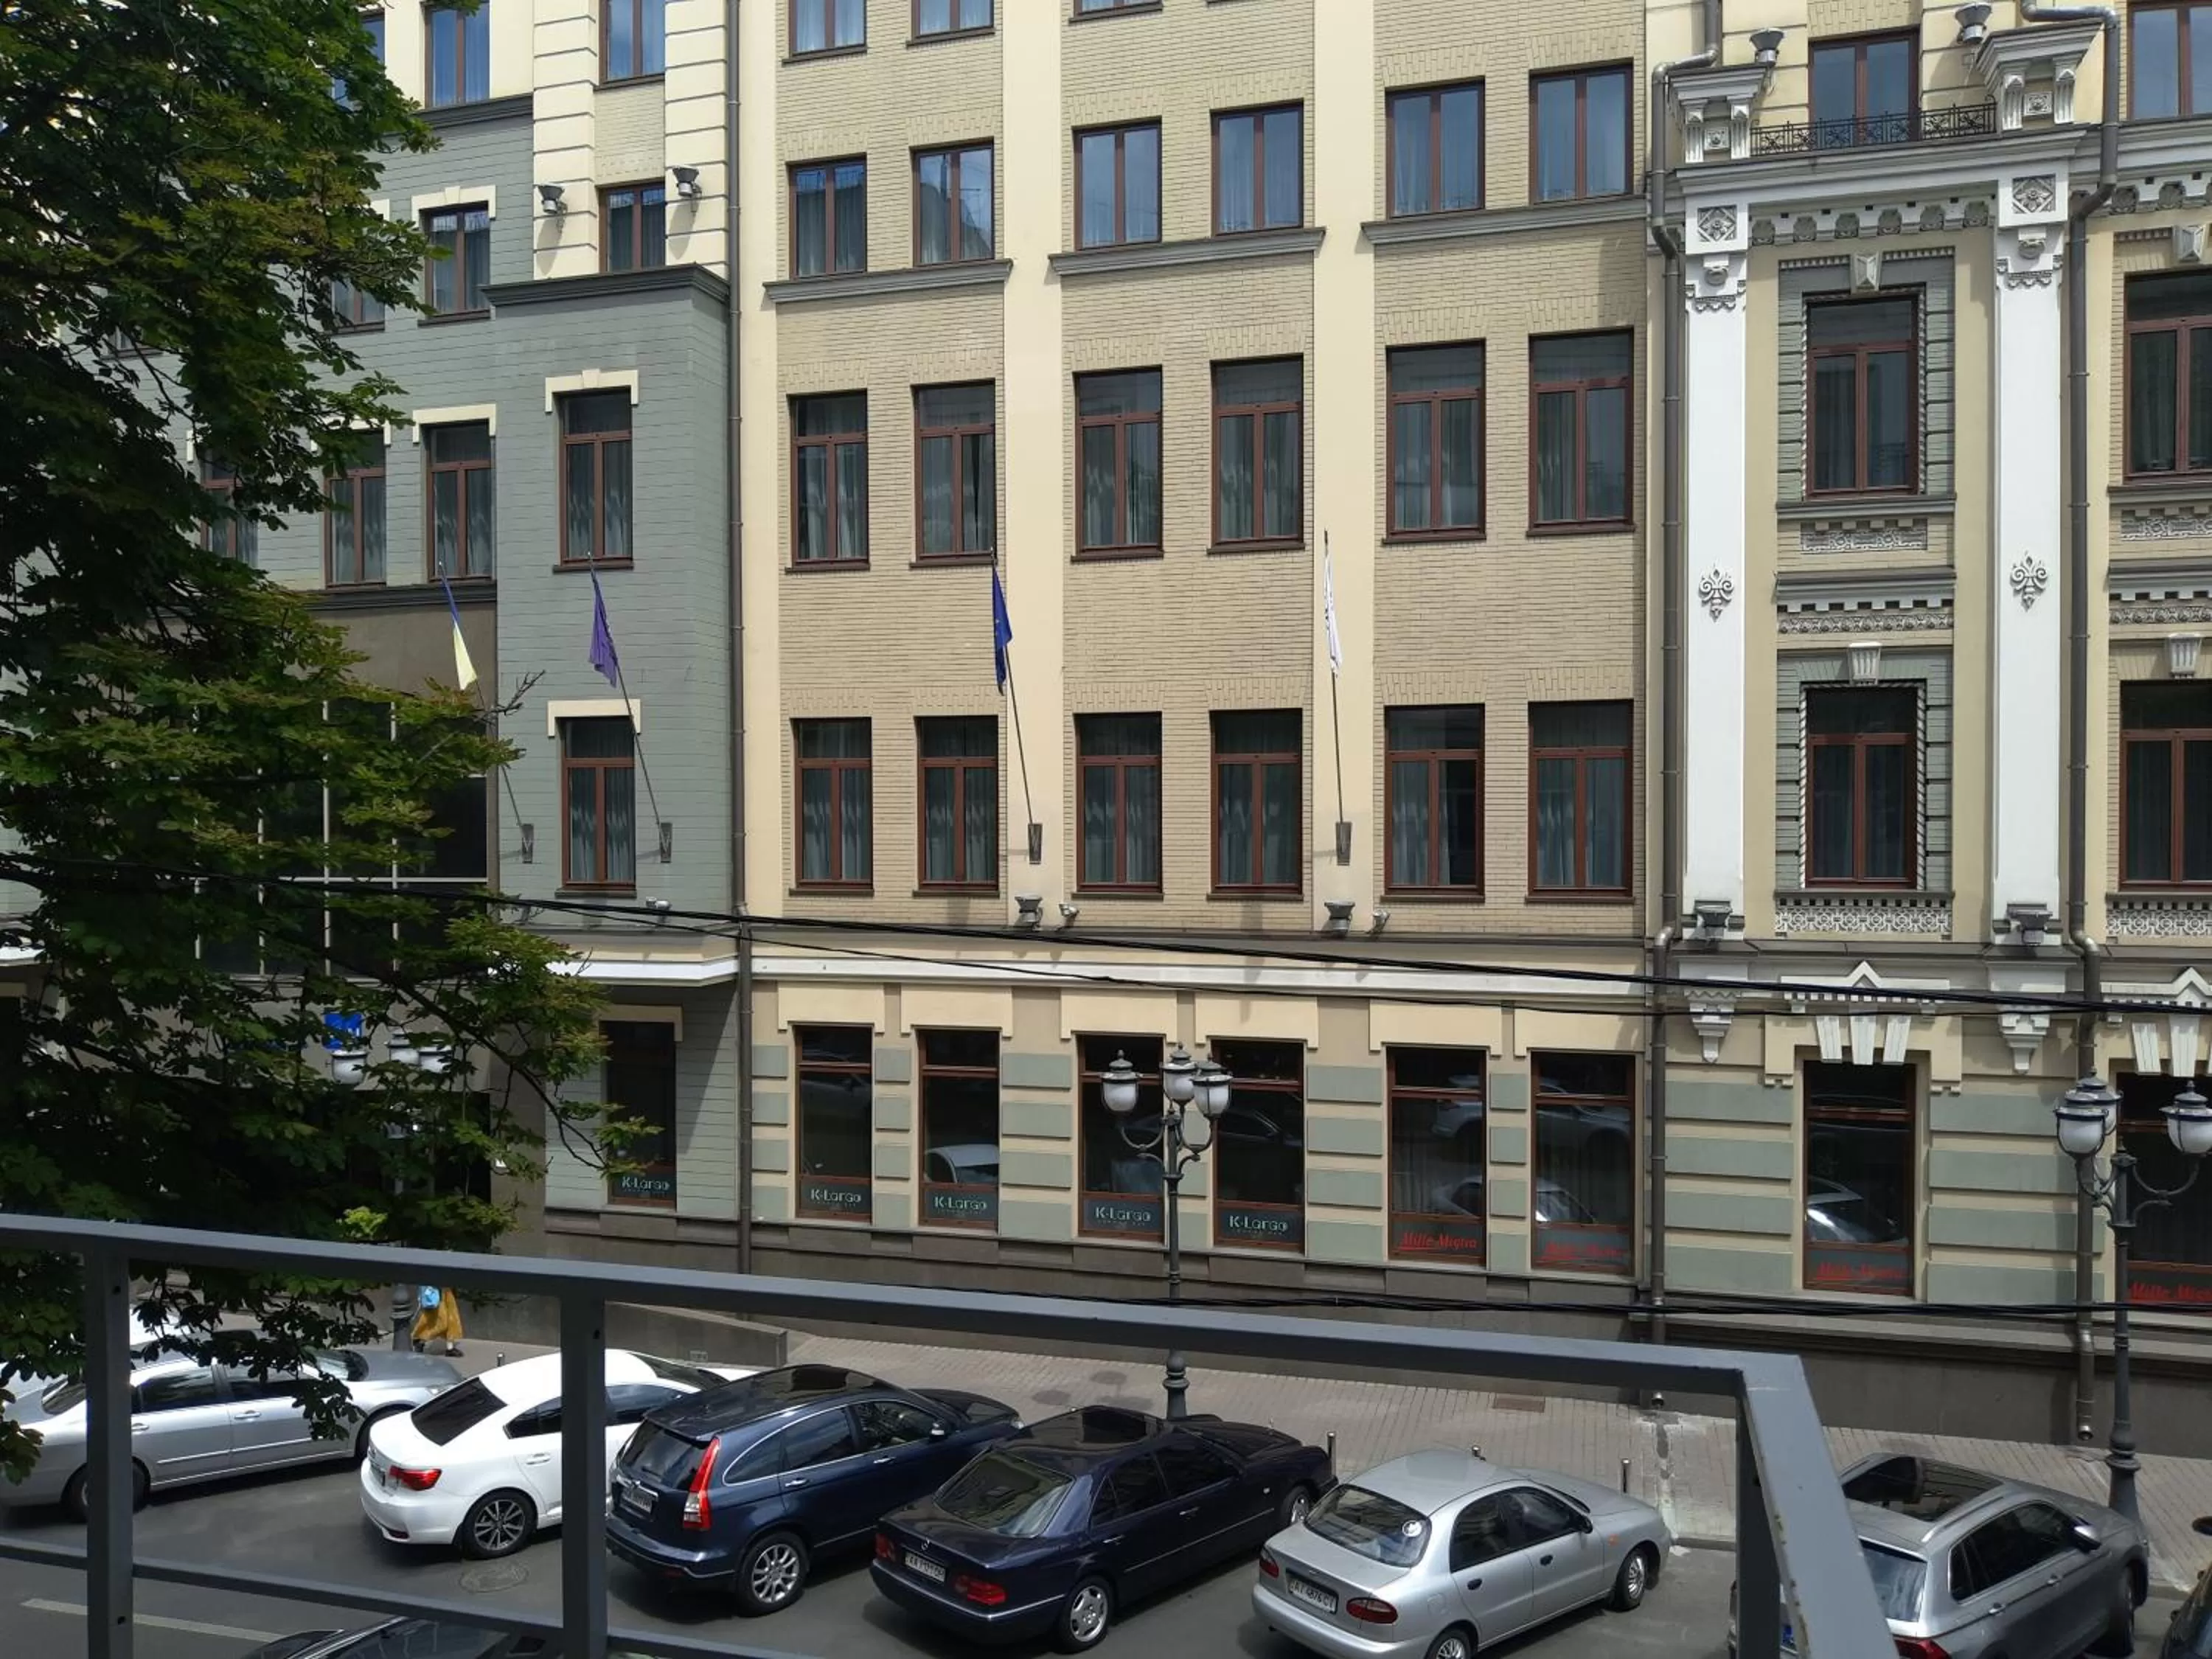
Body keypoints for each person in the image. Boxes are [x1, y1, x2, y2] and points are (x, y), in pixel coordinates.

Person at [410, 1284, 464, 1357]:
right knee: (441, 1321)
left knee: (450, 1317)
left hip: (445, 1290)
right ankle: (420, 1339)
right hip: (437, 1290)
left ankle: (450, 1348)